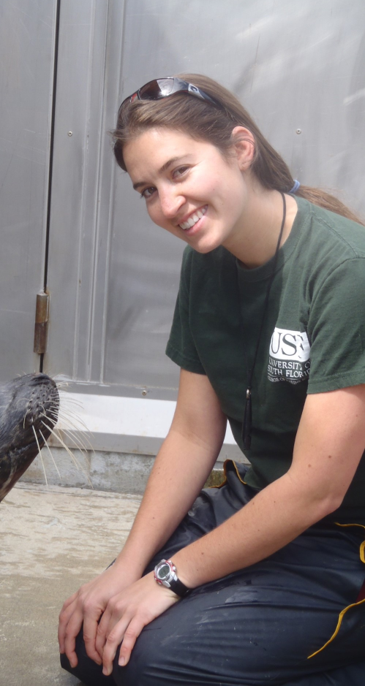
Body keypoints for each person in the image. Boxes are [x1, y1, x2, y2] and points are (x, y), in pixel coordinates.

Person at [58, 74, 365, 686]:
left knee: (148, 665)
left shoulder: (345, 270)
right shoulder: (204, 260)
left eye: (179, 172)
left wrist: (169, 579)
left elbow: (315, 491)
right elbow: (194, 435)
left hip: (341, 540)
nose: (167, 206)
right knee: (92, 644)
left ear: (241, 149)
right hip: (256, 503)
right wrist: (128, 568)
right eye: (147, 189)